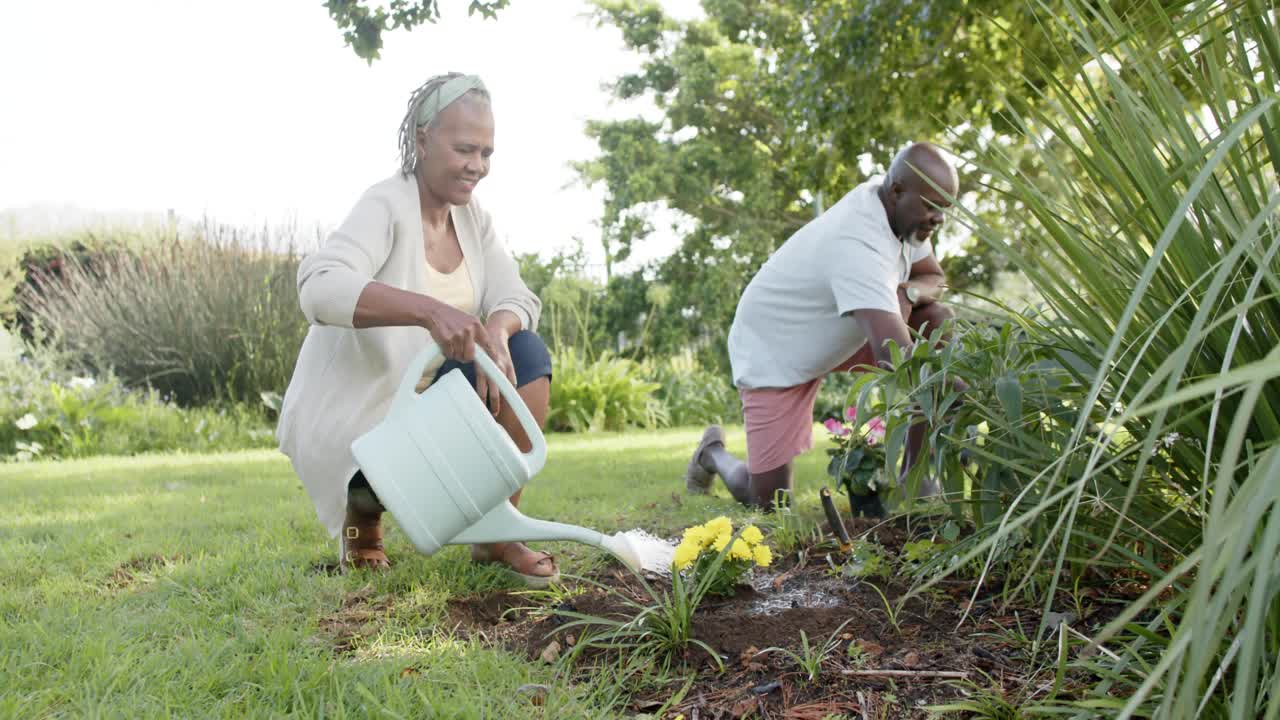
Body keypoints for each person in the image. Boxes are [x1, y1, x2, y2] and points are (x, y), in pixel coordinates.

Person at [276, 73, 559, 586]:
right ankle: (362, 523)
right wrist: (430, 311)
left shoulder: (474, 220)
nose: (477, 165)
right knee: (373, 471)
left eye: (487, 152)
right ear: (423, 139)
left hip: (435, 402)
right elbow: (319, 286)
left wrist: (498, 327)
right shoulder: (385, 204)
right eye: (465, 149)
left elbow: (519, 296)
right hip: (368, 413)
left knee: (527, 352)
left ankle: (495, 533)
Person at [684, 142, 961, 512]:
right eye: (931, 205)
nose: (939, 218)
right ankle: (712, 454)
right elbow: (894, 359)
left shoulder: (904, 219)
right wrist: (967, 393)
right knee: (768, 503)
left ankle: (915, 476)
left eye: (944, 208)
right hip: (775, 347)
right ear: (897, 190)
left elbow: (934, 278)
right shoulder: (859, 244)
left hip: (840, 330)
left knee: (936, 319)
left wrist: (907, 292)